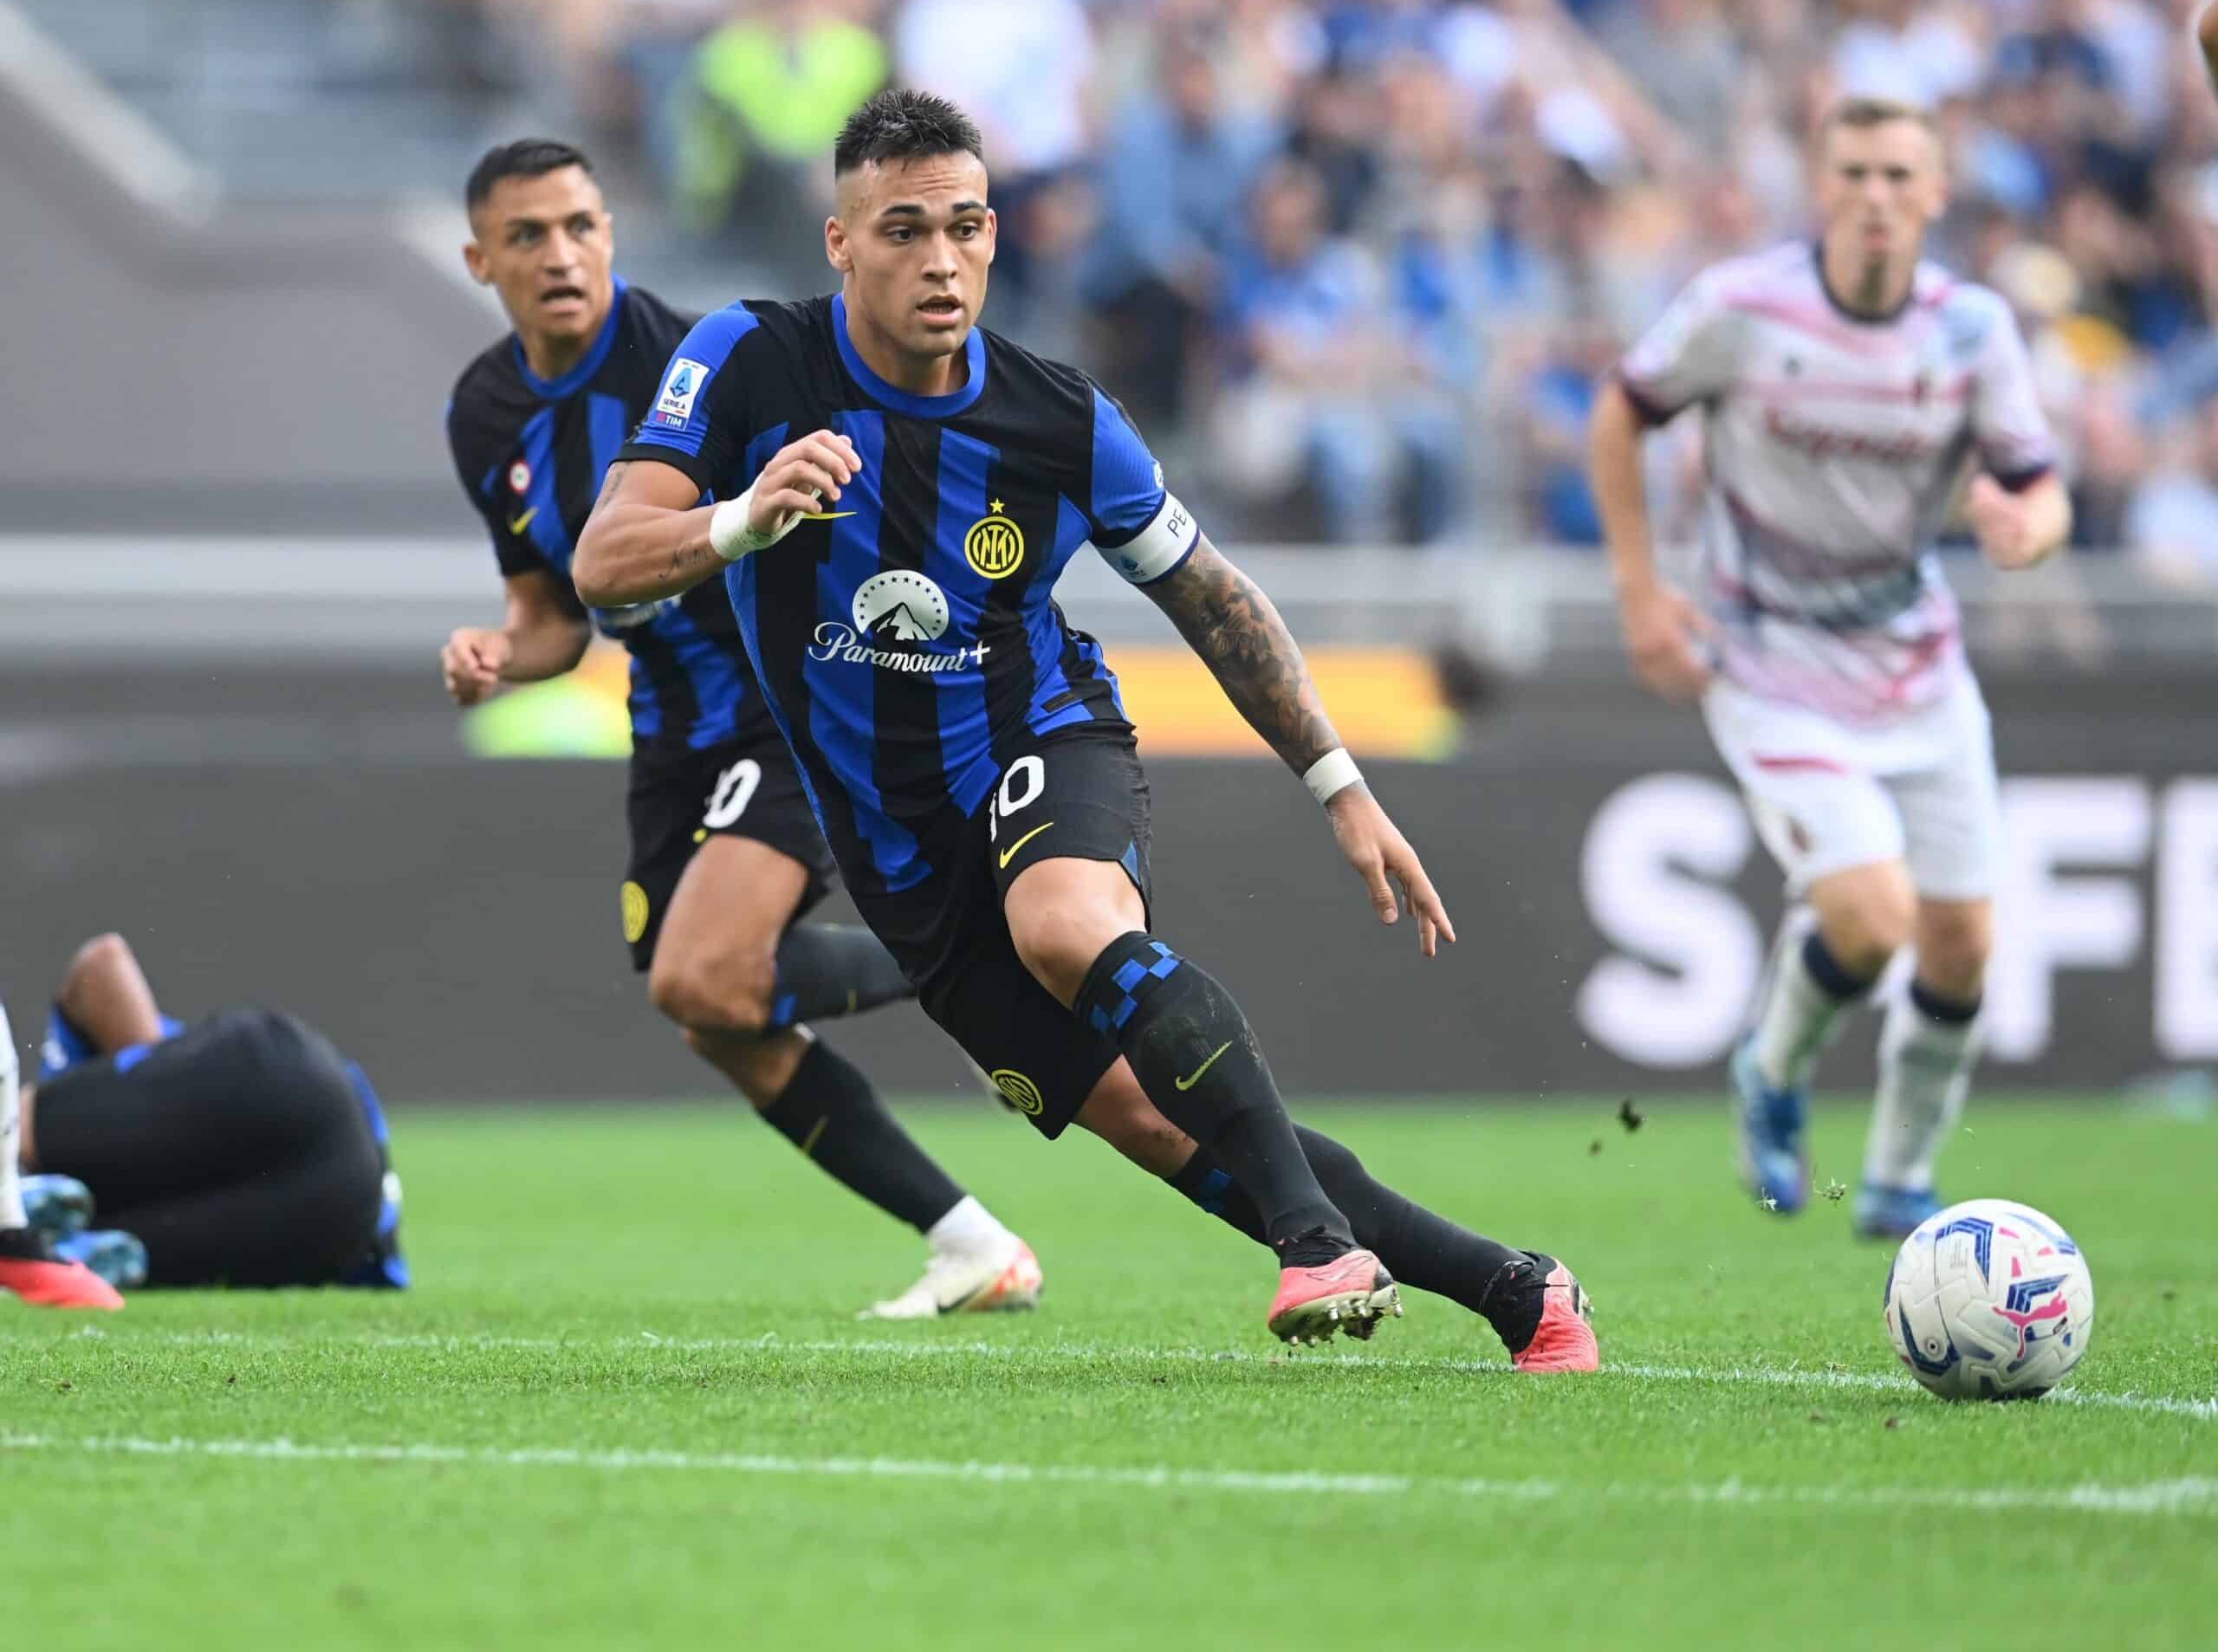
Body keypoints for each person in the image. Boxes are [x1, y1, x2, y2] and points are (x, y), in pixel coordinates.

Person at [572, 87, 1595, 1368]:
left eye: (964, 226)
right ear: (839, 244)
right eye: (901, 232)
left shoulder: (1062, 421)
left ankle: (1317, 1251)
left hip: (1044, 738)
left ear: (996, 233)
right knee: (1157, 1124)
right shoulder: (745, 359)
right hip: (901, 858)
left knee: (1066, 925)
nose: (940, 261)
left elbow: (1214, 597)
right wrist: (739, 519)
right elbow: (604, 560)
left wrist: (1339, 782)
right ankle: (1518, 1291)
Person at [442, 137, 1041, 1319]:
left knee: (708, 974)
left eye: (579, 225)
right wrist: (499, 655)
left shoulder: (698, 361)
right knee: (708, 1011)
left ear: (611, 230)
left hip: (791, 699)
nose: (560, 255)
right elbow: (558, 618)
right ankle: (973, 1241)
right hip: (671, 730)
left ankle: (974, 962)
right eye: (527, 237)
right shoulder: (487, 414)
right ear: (480, 261)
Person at [1588, 96, 2072, 1240]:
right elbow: (1621, 413)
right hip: (1768, 658)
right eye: (1854, 171)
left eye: (1901, 176)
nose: (1876, 196)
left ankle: (1900, 1179)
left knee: (1963, 943)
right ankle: (1771, 1068)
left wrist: (2027, 530)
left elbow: (2039, 486)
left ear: (1936, 195)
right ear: (1820, 185)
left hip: (1918, 667)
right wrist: (1641, 592)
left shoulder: (1972, 332)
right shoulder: (1742, 307)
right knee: (1871, 917)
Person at [3, 935, 404, 1300]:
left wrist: (149, 1092)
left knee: (17, 1131)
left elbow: (104, 960)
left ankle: (37, 1223)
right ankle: (60, 1246)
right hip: (339, 1225)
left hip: (296, 1099)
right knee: (89, 1256)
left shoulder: (90, 1083)